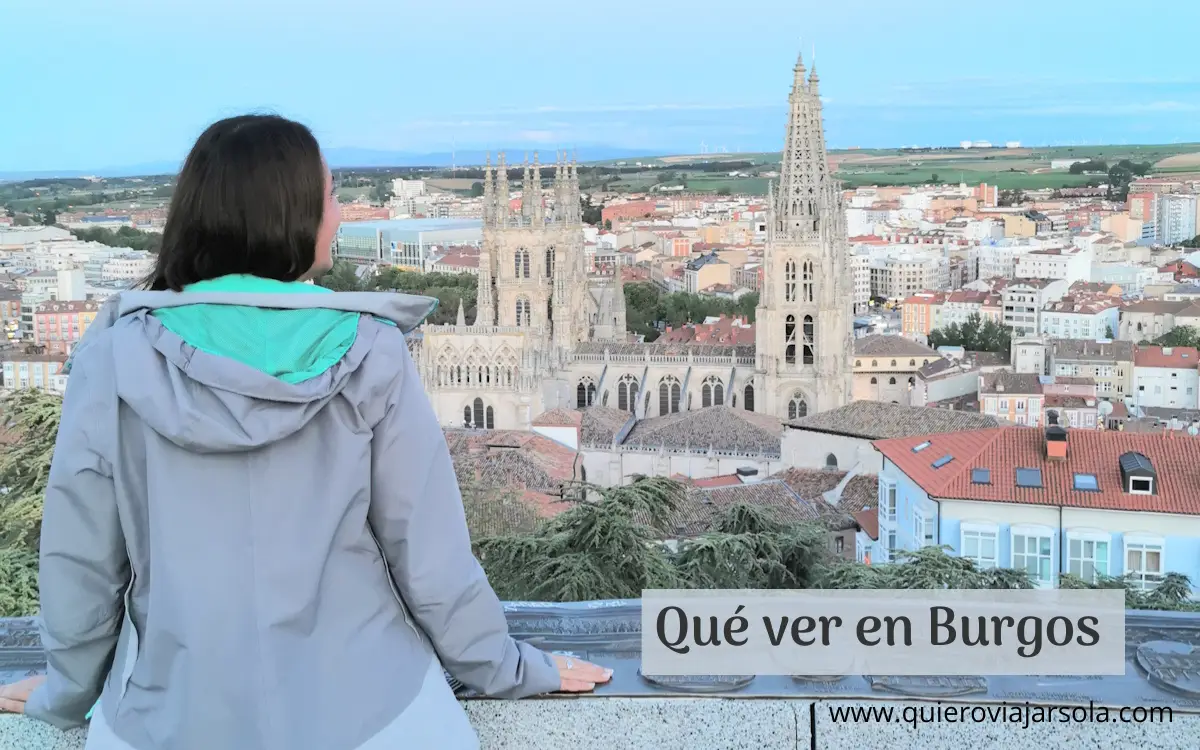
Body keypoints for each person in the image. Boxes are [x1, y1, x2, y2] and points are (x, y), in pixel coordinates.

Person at [0, 114, 609, 749]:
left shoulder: (112, 358)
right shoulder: (371, 351)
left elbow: (80, 564)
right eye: (332, 196)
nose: (341, 216)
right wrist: (506, 668)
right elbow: (431, 562)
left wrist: (66, 693)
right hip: (371, 715)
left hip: (170, 719)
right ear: (288, 215)